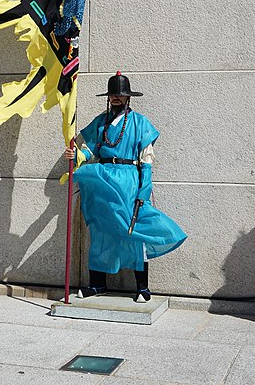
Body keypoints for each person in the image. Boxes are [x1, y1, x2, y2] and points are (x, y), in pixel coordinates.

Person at [65, 71, 187, 303]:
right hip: (103, 182)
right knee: (100, 233)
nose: (116, 98)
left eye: (120, 95)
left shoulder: (140, 123)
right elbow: (89, 152)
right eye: (113, 95)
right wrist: (76, 155)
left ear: (128, 97)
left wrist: (143, 190)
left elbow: (147, 162)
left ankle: (142, 287)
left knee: (134, 232)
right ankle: (97, 284)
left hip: (130, 183)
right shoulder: (101, 122)